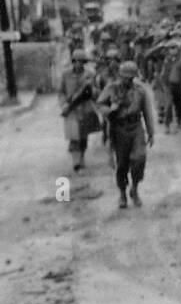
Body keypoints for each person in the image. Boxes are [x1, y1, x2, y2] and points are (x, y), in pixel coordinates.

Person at [96, 60, 157, 209]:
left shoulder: (140, 90)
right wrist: (111, 110)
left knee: (139, 158)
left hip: (136, 127)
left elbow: (147, 111)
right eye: (125, 77)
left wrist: (150, 132)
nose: (127, 80)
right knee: (122, 164)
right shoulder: (112, 88)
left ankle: (134, 189)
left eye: (130, 77)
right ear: (120, 75)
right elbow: (100, 104)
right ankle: (122, 193)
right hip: (119, 129)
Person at [59, 50, 99, 172]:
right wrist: (64, 104)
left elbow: (96, 92)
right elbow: (61, 92)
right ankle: (76, 161)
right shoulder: (66, 74)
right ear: (73, 62)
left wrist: (91, 88)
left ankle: (81, 156)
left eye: (82, 62)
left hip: (85, 108)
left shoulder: (90, 74)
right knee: (73, 136)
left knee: (83, 136)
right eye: (77, 61)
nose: (79, 64)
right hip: (71, 110)